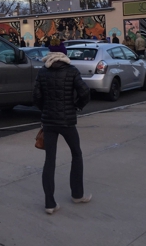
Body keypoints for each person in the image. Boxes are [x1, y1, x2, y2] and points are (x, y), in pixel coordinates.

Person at [33, 40, 91, 215]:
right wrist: (77, 106)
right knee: (76, 154)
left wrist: (45, 110)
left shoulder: (43, 72)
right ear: (64, 53)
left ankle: (49, 203)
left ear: (50, 53)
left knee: (49, 160)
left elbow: (36, 96)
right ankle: (77, 194)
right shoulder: (71, 71)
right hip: (67, 121)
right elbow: (85, 93)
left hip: (49, 122)